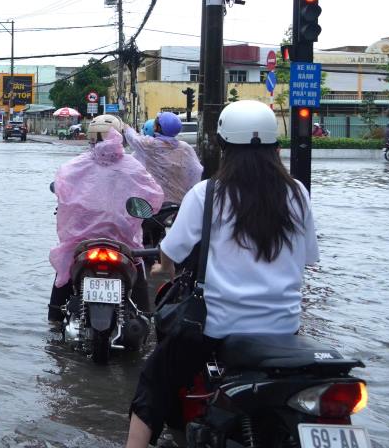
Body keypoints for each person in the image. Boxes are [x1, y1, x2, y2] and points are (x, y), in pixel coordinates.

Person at [124, 100, 319, 448]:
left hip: (218, 328)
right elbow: (306, 259)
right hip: (284, 330)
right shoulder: (297, 193)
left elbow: (171, 252)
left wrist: (162, 267)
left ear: (223, 146)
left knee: (154, 382)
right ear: (276, 147)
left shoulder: (207, 194)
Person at [48, 115, 163, 323]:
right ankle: (145, 317)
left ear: (91, 137)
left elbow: (62, 194)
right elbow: (154, 198)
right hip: (123, 241)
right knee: (138, 272)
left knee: (64, 270)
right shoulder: (133, 166)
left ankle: (55, 317)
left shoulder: (74, 166)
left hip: (82, 241)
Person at [122, 111, 204, 206]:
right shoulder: (185, 148)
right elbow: (196, 171)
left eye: (156, 123)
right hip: (180, 202)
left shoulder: (150, 145)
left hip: (157, 203)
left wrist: (125, 127)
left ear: (158, 127)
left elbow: (133, 138)